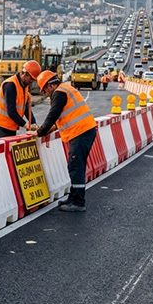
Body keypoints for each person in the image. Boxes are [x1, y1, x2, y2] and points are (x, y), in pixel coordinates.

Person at [32, 70, 97, 213]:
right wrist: (48, 131)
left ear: (50, 85)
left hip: (81, 132)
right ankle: (73, 197)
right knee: (75, 165)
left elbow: (52, 115)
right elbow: (62, 118)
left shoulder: (59, 93)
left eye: (44, 90)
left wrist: (39, 132)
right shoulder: (65, 89)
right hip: (84, 131)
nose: (45, 94)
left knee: (76, 167)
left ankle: (78, 202)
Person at [0, 60, 41, 139]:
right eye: (31, 79)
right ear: (24, 74)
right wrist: (25, 124)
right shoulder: (10, 85)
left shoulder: (24, 86)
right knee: (1, 151)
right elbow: (11, 111)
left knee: (9, 150)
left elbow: (26, 108)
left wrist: (33, 123)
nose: (31, 82)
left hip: (10, 127)